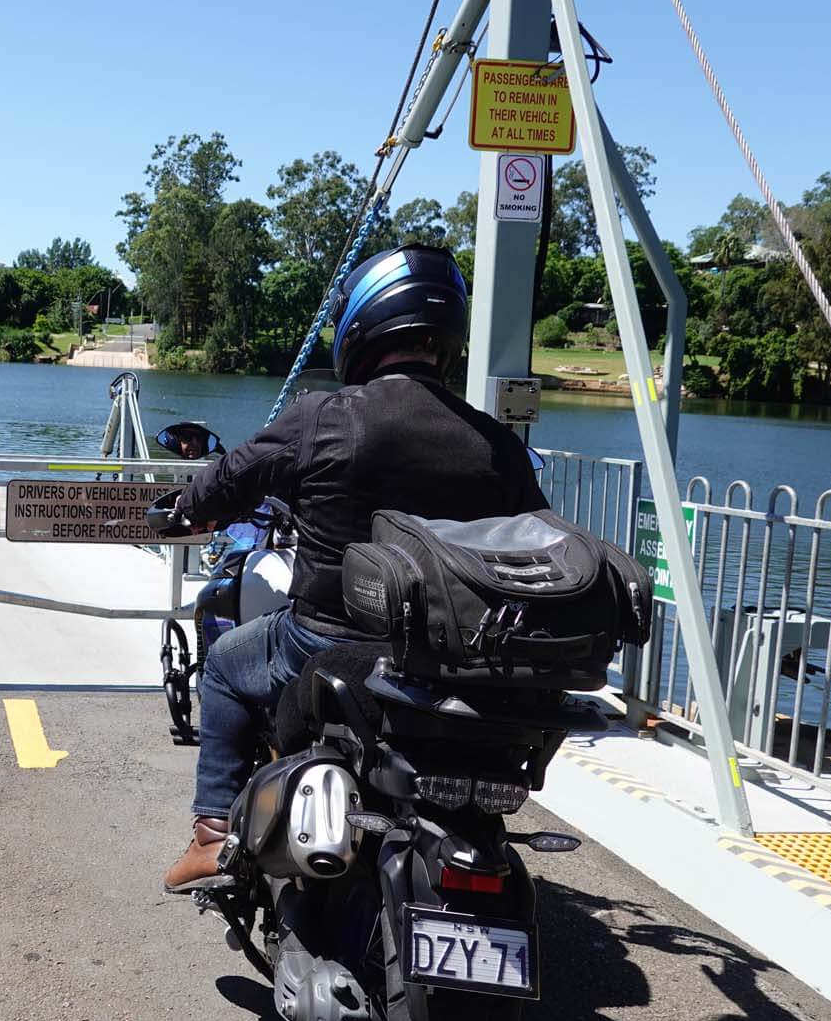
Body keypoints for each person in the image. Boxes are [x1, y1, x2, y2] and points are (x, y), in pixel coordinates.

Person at [162, 243, 549, 892]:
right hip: (450, 659)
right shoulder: (497, 443)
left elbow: (225, 481)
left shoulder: (322, 417)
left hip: (326, 641)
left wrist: (185, 509)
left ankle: (212, 835)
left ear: (361, 328)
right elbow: (535, 538)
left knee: (226, 662)